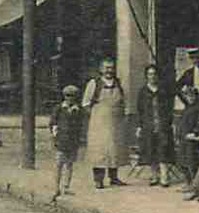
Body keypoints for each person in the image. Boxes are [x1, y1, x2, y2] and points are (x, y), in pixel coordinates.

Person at [82, 58, 128, 188]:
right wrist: (96, 116)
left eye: (111, 67)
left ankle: (114, 178)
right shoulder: (94, 83)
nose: (109, 70)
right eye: (106, 67)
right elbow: (86, 103)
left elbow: (122, 101)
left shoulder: (118, 83)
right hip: (99, 123)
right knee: (100, 151)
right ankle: (98, 179)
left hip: (115, 122)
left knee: (115, 149)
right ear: (101, 69)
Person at [134, 63, 177, 186]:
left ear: (158, 76)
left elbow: (169, 108)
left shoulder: (164, 90)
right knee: (151, 149)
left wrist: (170, 122)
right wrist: (139, 126)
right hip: (148, 124)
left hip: (162, 124)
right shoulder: (143, 91)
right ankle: (154, 176)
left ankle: (164, 177)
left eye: (154, 74)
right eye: (149, 74)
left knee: (163, 149)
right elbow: (140, 110)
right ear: (146, 76)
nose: (152, 77)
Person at [50, 84, 85, 200]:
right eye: (67, 96)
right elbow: (53, 123)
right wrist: (55, 135)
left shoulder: (79, 110)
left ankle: (66, 186)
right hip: (61, 140)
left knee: (69, 164)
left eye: (72, 96)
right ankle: (56, 186)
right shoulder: (59, 109)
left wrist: (81, 138)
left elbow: (81, 125)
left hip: (73, 141)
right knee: (58, 164)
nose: (70, 98)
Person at [172, 84, 199, 179]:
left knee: (192, 161)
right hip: (183, 138)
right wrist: (178, 135)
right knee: (181, 161)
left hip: (192, 140)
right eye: (188, 96)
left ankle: (195, 183)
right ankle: (188, 181)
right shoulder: (187, 108)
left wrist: (195, 132)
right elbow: (182, 124)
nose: (190, 98)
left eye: (192, 96)